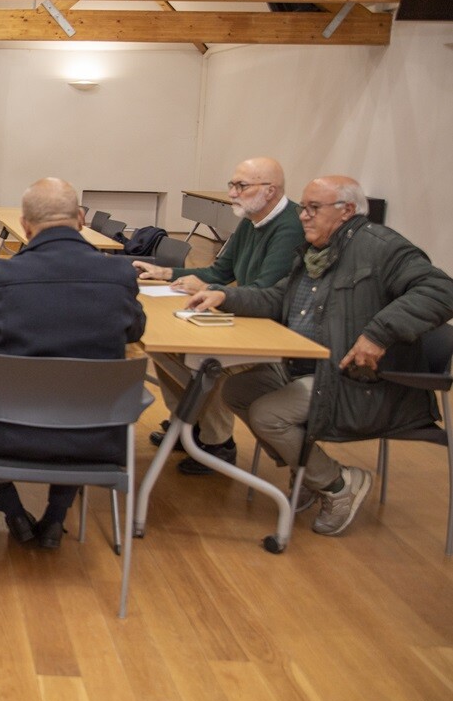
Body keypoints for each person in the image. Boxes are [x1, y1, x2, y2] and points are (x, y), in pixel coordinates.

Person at [187, 176, 453, 536]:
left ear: (346, 211)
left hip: (357, 379)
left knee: (269, 413)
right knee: (238, 390)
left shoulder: (380, 247)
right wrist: (224, 296)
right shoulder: (317, 251)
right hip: (306, 369)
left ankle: (339, 484)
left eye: (314, 208)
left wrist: (379, 333)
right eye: (304, 207)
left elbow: (441, 290)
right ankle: (312, 474)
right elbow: (277, 298)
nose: (303, 216)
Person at [0, 178, 146, 549]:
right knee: (77, 400)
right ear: (81, 219)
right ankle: (56, 516)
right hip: (96, 437)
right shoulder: (119, 274)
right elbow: (134, 330)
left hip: (3, 434)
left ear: (24, 225)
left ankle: (13, 513)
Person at [133, 156, 304, 475]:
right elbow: (219, 271)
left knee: (206, 362)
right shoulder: (251, 221)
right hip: (246, 311)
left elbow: (266, 290)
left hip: (270, 327)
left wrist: (210, 287)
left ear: (270, 191)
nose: (232, 194)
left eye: (241, 186)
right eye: (232, 185)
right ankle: (188, 424)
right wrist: (168, 272)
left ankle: (217, 444)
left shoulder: (290, 227)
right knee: (162, 348)